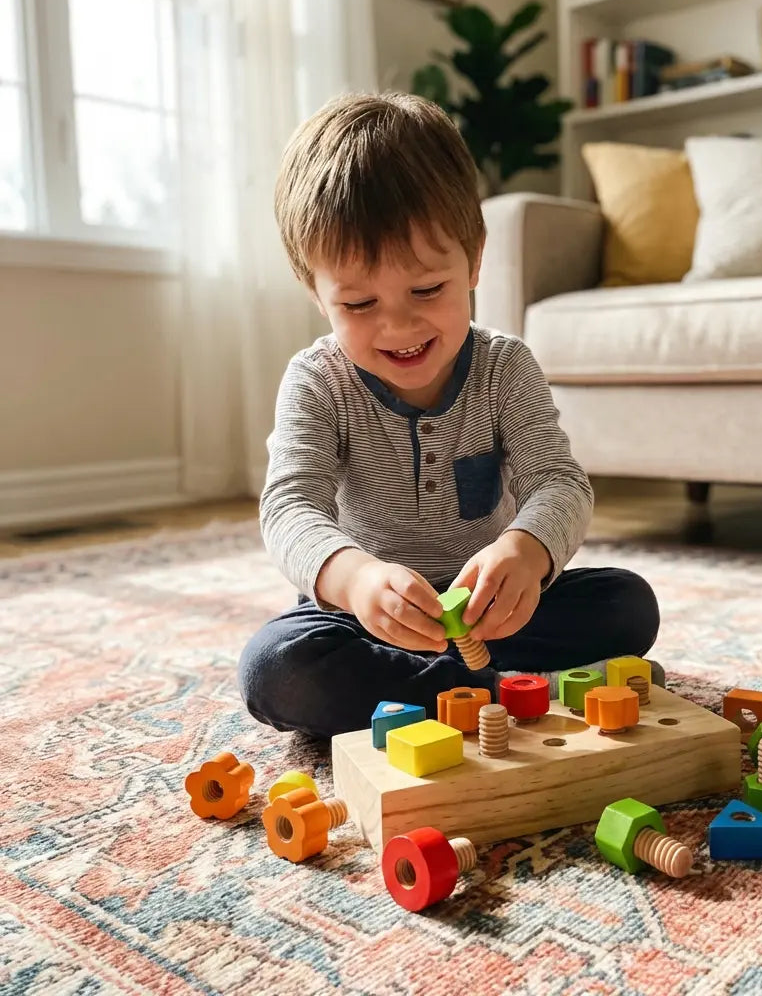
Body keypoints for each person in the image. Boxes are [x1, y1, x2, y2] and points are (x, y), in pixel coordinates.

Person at [238, 92, 661, 739]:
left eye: (427, 290)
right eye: (357, 303)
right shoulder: (316, 381)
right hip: (369, 618)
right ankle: (496, 689)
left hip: (499, 611)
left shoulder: (504, 366)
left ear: (474, 258)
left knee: (628, 606)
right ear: (313, 289)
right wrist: (354, 580)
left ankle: (442, 689)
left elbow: (558, 481)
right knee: (277, 670)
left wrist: (526, 551)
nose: (398, 324)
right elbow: (291, 507)